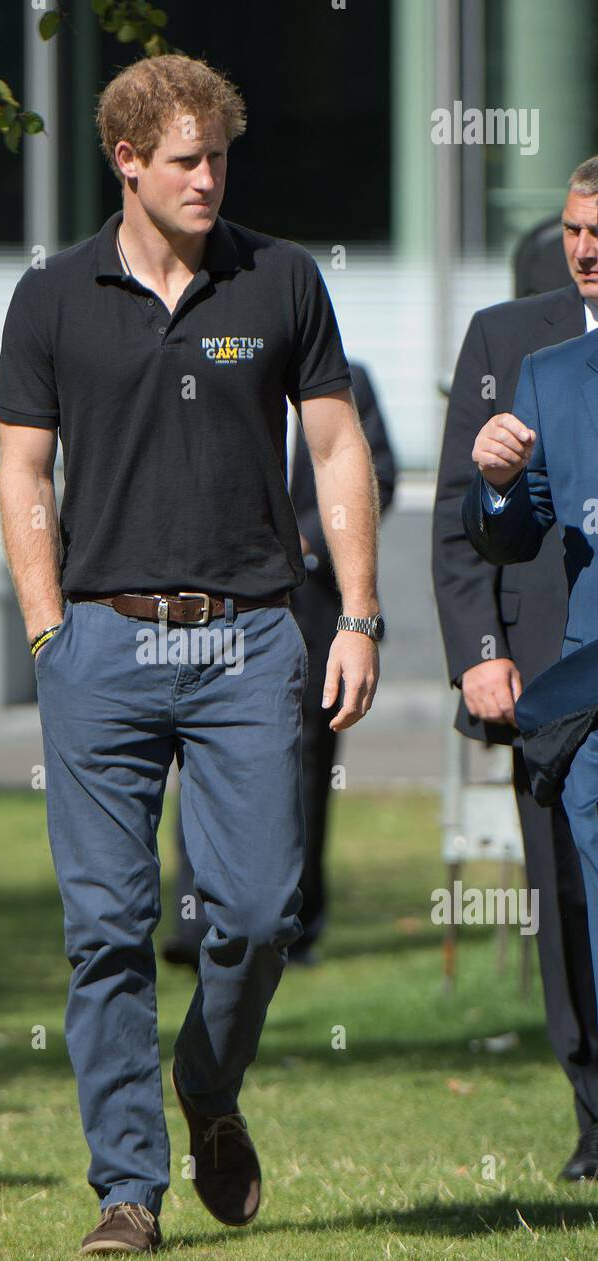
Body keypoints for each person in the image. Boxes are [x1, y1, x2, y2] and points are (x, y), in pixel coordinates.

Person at [0, 54, 381, 1255]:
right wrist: (47, 627)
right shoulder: (51, 294)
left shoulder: (282, 281)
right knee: (106, 928)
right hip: (100, 642)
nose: (207, 178)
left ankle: (206, 1086)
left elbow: (333, 449)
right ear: (125, 161)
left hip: (251, 637)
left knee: (260, 909)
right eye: (183, 161)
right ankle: (126, 1189)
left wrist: (357, 615)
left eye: (217, 156)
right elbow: (21, 468)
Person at [432, 157, 598, 1183]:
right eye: (576, 231)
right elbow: (468, 526)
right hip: (546, 677)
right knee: (566, 895)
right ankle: (591, 1110)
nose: (584, 252)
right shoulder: (507, 343)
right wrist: (480, 656)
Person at [165, 361, 396, 970]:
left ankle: (298, 926)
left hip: (316, 611)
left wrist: (304, 540)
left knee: (307, 767)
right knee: (199, 757)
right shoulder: (220, 371)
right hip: (219, 605)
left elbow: (380, 478)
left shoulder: (349, 384)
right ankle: (196, 922)